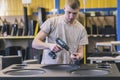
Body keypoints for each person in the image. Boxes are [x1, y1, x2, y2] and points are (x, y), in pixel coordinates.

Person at [32, 0, 88, 64]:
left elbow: (81, 53)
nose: (71, 16)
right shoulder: (52, 22)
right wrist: (49, 46)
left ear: (79, 11)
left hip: (69, 69)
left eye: (74, 13)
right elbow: (35, 43)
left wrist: (78, 56)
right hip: (49, 68)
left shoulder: (81, 29)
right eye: (69, 12)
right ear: (64, 8)